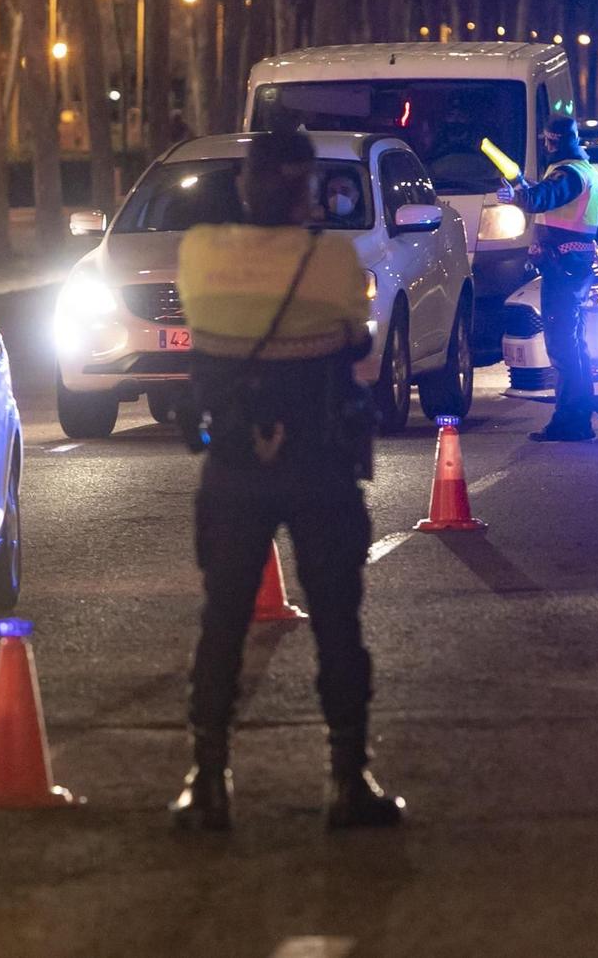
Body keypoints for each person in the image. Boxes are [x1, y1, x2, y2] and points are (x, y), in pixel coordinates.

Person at [170, 125, 404, 831]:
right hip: (319, 462)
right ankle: (347, 776)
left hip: (235, 463)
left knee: (223, 622)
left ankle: (208, 779)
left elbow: (200, 325)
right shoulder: (329, 257)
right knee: (337, 620)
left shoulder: (199, 251)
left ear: (244, 185)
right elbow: (356, 335)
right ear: (306, 191)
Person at [498, 119, 598, 441]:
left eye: (549, 141)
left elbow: (542, 198)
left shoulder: (569, 174)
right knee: (574, 346)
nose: (546, 146)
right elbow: (549, 195)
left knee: (561, 346)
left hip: (563, 268)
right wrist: (525, 186)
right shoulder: (585, 172)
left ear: (558, 141)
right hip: (573, 266)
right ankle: (577, 419)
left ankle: (570, 422)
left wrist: (518, 194)